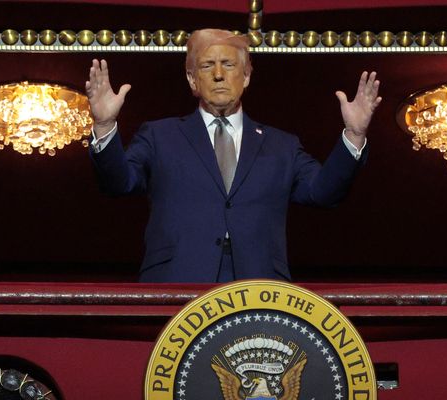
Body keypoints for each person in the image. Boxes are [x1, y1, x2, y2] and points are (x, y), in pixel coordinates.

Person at [85, 28, 381, 283]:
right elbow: (118, 183)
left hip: (258, 289)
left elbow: (323, 192)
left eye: (228, 64)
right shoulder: (159, 136)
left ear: (247, 76)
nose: (217, 75)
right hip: (178, 284)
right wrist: (104, 125)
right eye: (206, 66)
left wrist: (354, 135)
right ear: (192, 80)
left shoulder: (282, 146)